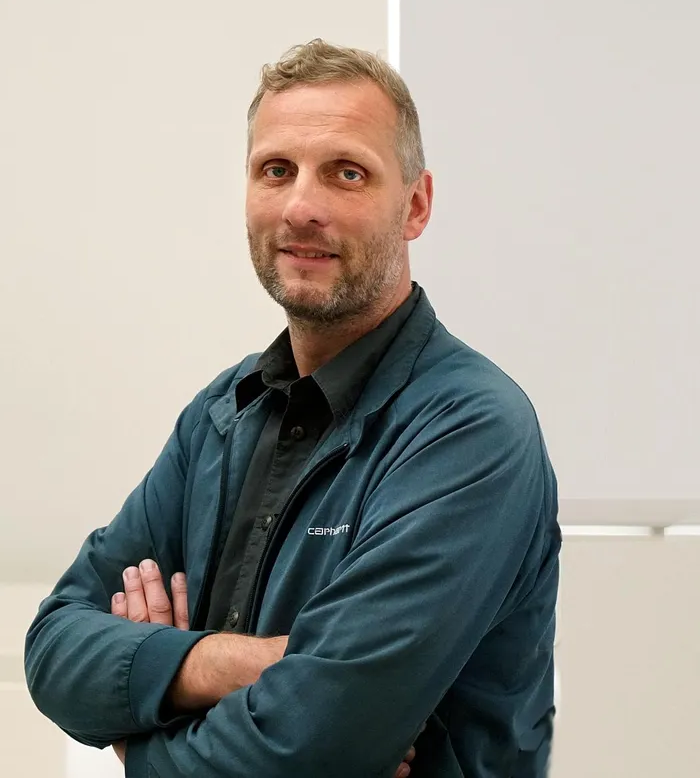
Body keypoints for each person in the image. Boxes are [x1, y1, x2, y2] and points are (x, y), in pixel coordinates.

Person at [25, 39, 560, 777]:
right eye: (276, 171)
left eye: (347, 173)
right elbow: (53, 646)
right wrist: (217, 663)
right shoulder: (221, 415)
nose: (302, 207)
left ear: (417, 205)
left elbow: (310, 748)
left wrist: (134, 739)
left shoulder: (470, 432)